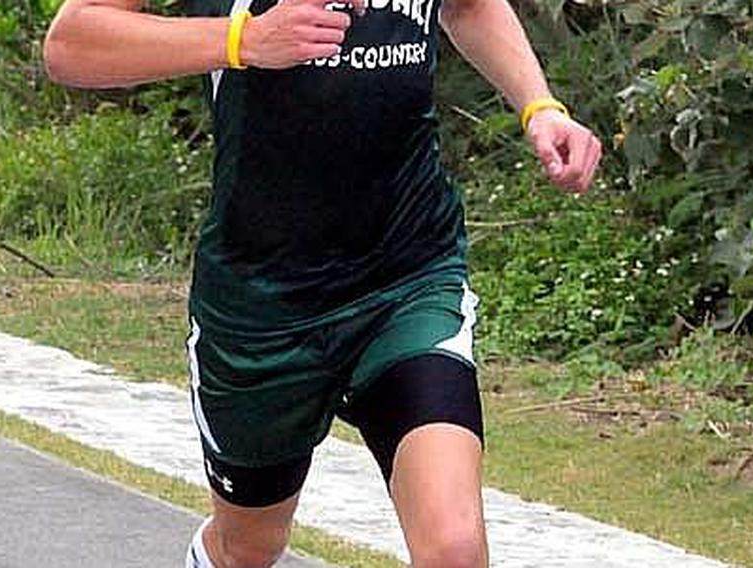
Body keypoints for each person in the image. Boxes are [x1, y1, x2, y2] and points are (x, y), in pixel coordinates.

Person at [43, 0, 602, 565]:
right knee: (248, 547)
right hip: (264, 305)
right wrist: (245, 39)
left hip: (406, 277)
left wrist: (539, 106)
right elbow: (71, 43)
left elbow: (470, 6)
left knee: (453, 550)